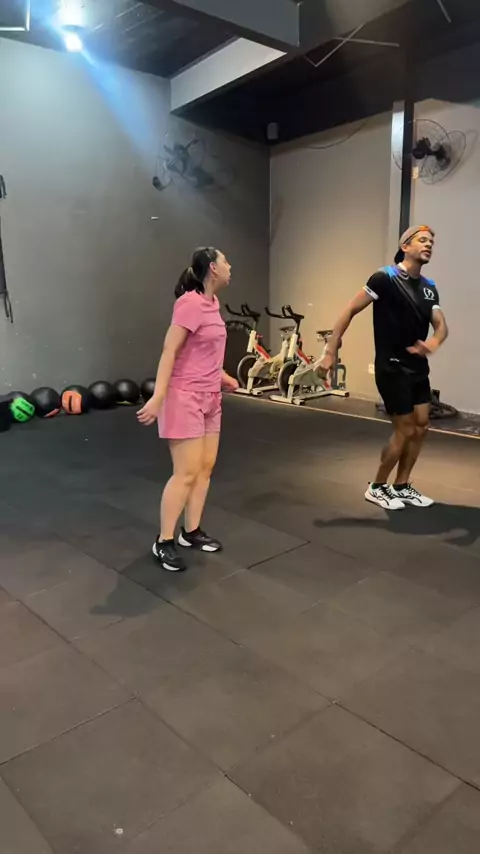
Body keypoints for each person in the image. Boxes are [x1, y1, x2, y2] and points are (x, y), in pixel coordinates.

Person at [320, 225, 448, 510]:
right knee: (405, 429)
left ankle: (401, 486)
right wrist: (330, 350)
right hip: (391, 366)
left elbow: (441, 326)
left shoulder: (429, 287)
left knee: (422, 426)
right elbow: (349, 310)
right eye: (422, 240)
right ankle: (377, 487)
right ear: (405, 246)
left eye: (431, 242)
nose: (428, 245)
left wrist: (433, 342)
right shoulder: (385, 278)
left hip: (417, 368)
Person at [137, 247, 239, 571]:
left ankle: (190, 531)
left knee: (205, 468)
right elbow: (170, 351)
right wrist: (158, 396)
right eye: (225, 261)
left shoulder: (213, 303)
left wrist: (222, 376)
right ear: (213, 268)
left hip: (211, 397)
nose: (230, 266)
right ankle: (164, 541)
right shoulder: (189, 304)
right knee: (185, 473)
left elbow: (203, 350)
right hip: (185, 397)